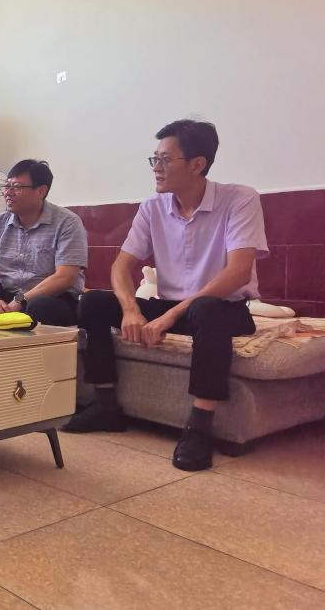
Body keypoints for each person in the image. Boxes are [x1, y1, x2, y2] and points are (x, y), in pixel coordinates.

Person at [63, 120, 267, 472]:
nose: (156, 168)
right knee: (94, 302)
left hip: (223, 308)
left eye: (165, 160)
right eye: (154, 159)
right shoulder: (152, 208)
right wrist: (130, 309)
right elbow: (121, 266)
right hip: (173, 306)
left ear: (197, 164)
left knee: (206, 309)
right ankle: (106, 405)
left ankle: (199, 428)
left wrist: (170, 316)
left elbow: (238, 272)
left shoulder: (240, 199)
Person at [0, 160, 87, 326]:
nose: (8, 193)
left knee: (40, 308)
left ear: (40, 191)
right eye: (6, 186)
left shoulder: (67, 222)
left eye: (17, 187)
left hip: (52, 298)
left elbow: (65, 277)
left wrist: (20, 300)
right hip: (7, 295)